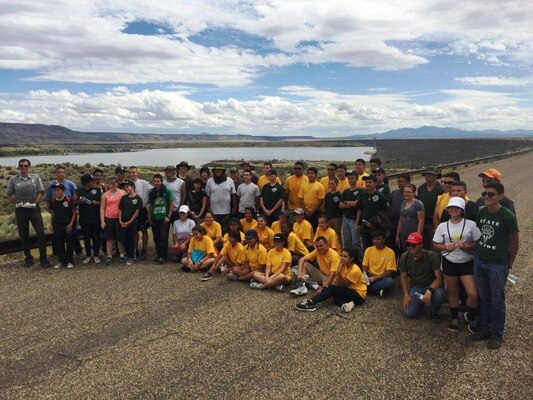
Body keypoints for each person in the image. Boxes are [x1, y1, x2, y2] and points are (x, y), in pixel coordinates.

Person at [472, 182, 519, 349]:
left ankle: (497, 334)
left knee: (497, 300)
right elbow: (478, 234)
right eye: (484, 194)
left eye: (490, 194)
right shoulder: (482, 212)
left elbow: (514, 243)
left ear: (500, 196)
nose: (486, 197)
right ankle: (485, 328)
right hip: (480, 260)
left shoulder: (507, 216)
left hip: (497, 264)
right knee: (484, 298)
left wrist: (509, 264)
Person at [432, 197, 481, 333]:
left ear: (462, 210)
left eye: (457, 208)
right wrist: (445, 247)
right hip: (450, 262)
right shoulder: (442, 226)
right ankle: (454, 318)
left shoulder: (471, 224)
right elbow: (435, 244)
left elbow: (478, 242)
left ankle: (470, 316)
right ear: (447, 209)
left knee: (473, 294)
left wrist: (467, 245)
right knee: (453, 292)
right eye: (451, 207)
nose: (454, 210)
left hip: (467, 262)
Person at [6, 158, 51, 268]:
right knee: (23, 235)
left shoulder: (35, 177)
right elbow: (8, 194)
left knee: (40, 233)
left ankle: (43, 259)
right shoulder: (13, 179)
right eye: (21, 166)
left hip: (34, 209)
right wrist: (16, 203)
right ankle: (28, 258)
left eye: (26, 165)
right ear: (19, 167)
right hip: (21, 210)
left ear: (29, 166)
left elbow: (40, 191)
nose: (23, 167)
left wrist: (35, 203)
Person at [295, 248, 366, 312]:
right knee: (327, 294)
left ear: (351, 259)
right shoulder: (343, 265)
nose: (342, 258)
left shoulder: (355, 269)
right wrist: (329, 292)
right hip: (348, 291)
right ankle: (344, 305)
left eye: (345, 256)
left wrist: (338, 273)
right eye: (341, 256)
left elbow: (344, 285)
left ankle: (310, 303)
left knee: (329, 290)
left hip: (358, 295)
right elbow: (337, 283)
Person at [399, 232, 445, 319]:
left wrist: (430, 290)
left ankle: (434, 312)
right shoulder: (404, 257)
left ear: (421, 244)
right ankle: (419, 303)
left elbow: (439, 278)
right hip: (415, 287)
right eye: (408, 244)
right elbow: (403, 276)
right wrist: (405, 294)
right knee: (408, 313)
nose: (410, 247)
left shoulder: (432, 256)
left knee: (439, 294)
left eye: (413, 245)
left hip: (431, 285)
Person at [46, 165, 82, 256]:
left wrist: (74, 205)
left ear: (65, 173)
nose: (60, 173)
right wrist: (49, 209)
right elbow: (48, 198)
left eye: (62, 172)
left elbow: (75, 196)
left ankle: (78, 251)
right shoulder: (51, 185)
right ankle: (57, 253)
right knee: (57, 234)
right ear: (55, 173)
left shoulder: (71, 184)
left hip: (70, 212)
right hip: (57, 212)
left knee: (73, 233)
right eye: (58, 172)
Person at [355, 174, 389, 250]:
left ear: (375, 183)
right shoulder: (363, 195)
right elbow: (359, 209)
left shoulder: (380, 196)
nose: (367, 184)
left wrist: (374, 222)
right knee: (366, 248)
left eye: (370, 182)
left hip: (376, 228)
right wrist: (357, 224)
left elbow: (385, 212)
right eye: (366, 182)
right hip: (364, 227)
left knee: (376, 248)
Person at [147, 174, 174, 264]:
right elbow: (151, 205)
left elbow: (172, 204)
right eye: (155, 181)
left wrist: (169, 216)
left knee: (163, 237)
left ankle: (163, 256)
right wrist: (149, 216)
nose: (156, 183)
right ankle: (158, 255)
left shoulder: (167, 191)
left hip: (164, 218)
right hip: (155, 217)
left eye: (158, 181)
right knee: (156, 237)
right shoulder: (152, 192)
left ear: (161, 181)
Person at [75, 174, 101, 264]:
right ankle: (88, 255)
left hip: (96, 218)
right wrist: (79, 201)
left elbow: (103, 202)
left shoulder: (97, 190)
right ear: (86, 183)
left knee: (96, 237)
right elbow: (73, 203)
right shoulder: (78, 191)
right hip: (84, 219)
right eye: (91, 181)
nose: (94, 182)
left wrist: (97, 202)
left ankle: (96, 255)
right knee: (86, 238)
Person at [128, 166, 153, 260]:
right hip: (132, 210)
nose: (132, 174)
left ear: (137, 173)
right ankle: (135, 249)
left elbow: (153, 189)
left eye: (133, 172)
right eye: (130, 172)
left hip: (142, 209)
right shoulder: (127, 183)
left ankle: (144, 249)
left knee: (144, 230)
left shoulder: (143, 183)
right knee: (134, 230)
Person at [50, 183, 77, 269]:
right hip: (57, 225)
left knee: (69, 243)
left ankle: (70, 261)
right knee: (59, 243)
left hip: (67, 224)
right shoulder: (53, 200)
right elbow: (53, 212)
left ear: (63, 190)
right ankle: (62, 261)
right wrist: (51, 223)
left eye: (58, 190)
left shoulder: (68, 199)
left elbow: (74, 212)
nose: (56, 192)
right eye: (55, 190)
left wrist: (71, 223)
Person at [362, 230, 396, 297]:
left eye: (378, 239)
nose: (376, 241)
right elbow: (364, 266)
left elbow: (389, 271)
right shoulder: (368, 250)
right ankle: (378, 291)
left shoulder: (390, 252)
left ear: (383, 240)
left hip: (382, 277)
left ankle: (364, 289)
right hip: (369, 275)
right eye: (374, 239)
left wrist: (375, 278)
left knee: (390, 282)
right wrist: (365, 276)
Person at [100, 177, 126, 265]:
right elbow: (102, 208)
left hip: (119, 218)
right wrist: (102, 221)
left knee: (120, 237)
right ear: (108, 184)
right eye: (110, 183)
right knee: (109, 238)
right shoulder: (105, 195)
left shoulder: (122, 193)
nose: (112, 185)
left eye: (114, 183)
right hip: (109, 218)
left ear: (117, 183)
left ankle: (122, 254)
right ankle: (109, 256)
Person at [339, 171, 364, 261]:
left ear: (357, 179)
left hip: (354, 220)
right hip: (345, 218)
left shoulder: (361, 191)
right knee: (346, 242)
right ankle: (347, 261)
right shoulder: (346, 191)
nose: (350, 180)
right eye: (349, 178)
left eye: (352, 178)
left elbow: (357, 204)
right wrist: (350, 203)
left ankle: (360, 262)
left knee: (356, 243)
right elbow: (340, 205)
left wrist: (346, 202)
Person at [205, 165, 237, 232]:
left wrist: (234, 207)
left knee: (225, 230)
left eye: (220, 171)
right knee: (215, 230)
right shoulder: (210, 181)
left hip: (226, 211)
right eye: (216, 171)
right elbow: (207, 196)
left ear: (223, 171)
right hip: (214, 211)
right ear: (214, 172)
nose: (218, 172)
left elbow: (233, 194)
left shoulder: (230, 180)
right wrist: (208, 209)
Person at [418, 167, 444, 249]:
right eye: (426, 174)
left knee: (434, 247)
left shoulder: (440, 189)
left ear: (436, 176)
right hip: (422, 222)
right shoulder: (421, 188)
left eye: (430, 174)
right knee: (423, 246)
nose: (427, 176)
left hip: (434, 223)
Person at [118, 180, 142, 266]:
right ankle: (127, 254)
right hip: (123, 222)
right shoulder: (124, 198)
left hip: (132, 222)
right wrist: (120, 220)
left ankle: (131, 256)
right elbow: (120, 209)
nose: (126, 188)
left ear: (132, 187)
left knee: (130, 239)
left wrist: (129, 222)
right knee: (123, 239)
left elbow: (137, 212)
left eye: (128, 186)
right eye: (125, 187)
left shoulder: (138, 199)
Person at [396, 183, 424, 252]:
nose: (406, 194)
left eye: (409, 192)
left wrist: (418, 236)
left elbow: (421, 221)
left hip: (413, 234)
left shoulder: (418, 204)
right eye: (405, 192)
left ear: (413, 193)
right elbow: (400, 219)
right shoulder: (403, 203)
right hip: (403, 233)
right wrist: (397, 235)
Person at [389, 173, 410, 254]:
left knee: (404, 249)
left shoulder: (412, 195)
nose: (400, 183)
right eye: (399, 181)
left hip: (405, 227)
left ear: (408, 182)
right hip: (393, 226)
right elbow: (390, 208)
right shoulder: (393, 193)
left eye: (403, 181)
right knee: (393, 249)